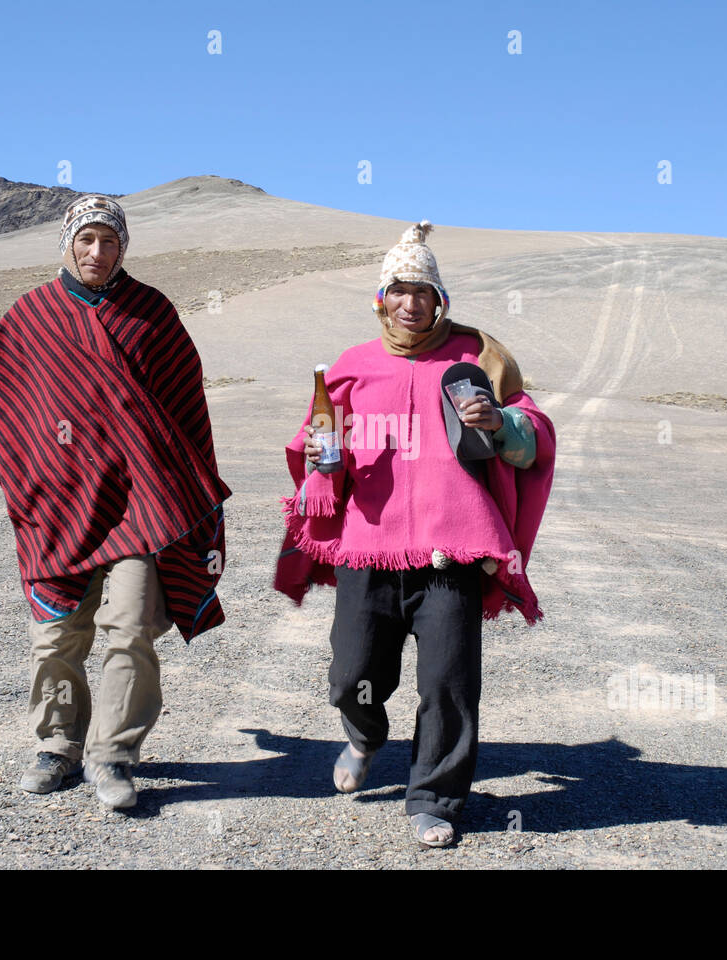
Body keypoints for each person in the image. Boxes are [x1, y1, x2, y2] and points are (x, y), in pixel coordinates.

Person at [274, 221, 555, 846]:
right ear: (381, 299)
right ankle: (366, 735)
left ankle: (434, 799)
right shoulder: (352, 366)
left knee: (448, 683)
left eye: (421, 292)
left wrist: (503, 420)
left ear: (439, 300)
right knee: (351, 677)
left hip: (452, 548)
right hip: (368, 548)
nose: (409, 303)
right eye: (398, 291)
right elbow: (319, 443)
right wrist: (326, 452)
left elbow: (534, 429)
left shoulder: (476, 357)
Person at [0, 195, 231, 810]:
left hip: (141, 505)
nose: (97, 253)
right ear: (67, 242)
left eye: (109, 242)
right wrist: (33, 478)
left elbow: (184, 406)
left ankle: (113, 756)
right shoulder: (30, 317)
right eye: (86, 240)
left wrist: (178, 484)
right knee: (58, 637)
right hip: (61, 506)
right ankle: (57, 746)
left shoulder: (151, 313)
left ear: (123, 248)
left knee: (131, 627)